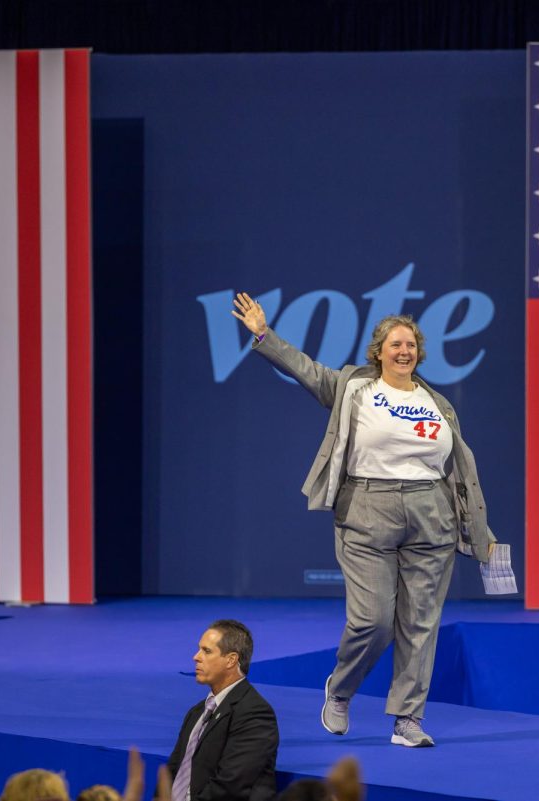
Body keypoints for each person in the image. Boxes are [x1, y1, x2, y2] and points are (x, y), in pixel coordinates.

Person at [232, 294, 499, 747]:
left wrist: (481, 532)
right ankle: (340, 691)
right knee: (373, 621)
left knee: (421, 623)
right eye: (396, 344)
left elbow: (461, 474)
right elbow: (305, 369)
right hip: (368, 509)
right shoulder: (354, 387)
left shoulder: (437, 403)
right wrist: (263, 333)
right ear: (379, 351)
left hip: (431, 513)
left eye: (411, 345)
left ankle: (407, 721)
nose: (404, 351)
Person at [164, 620, 277, 801]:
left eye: (206, 651)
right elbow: (173, 769)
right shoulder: (197, 712)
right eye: (199, 649)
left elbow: (231, 785)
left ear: (231, 660)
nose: (196, 657)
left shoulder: (255, 713)